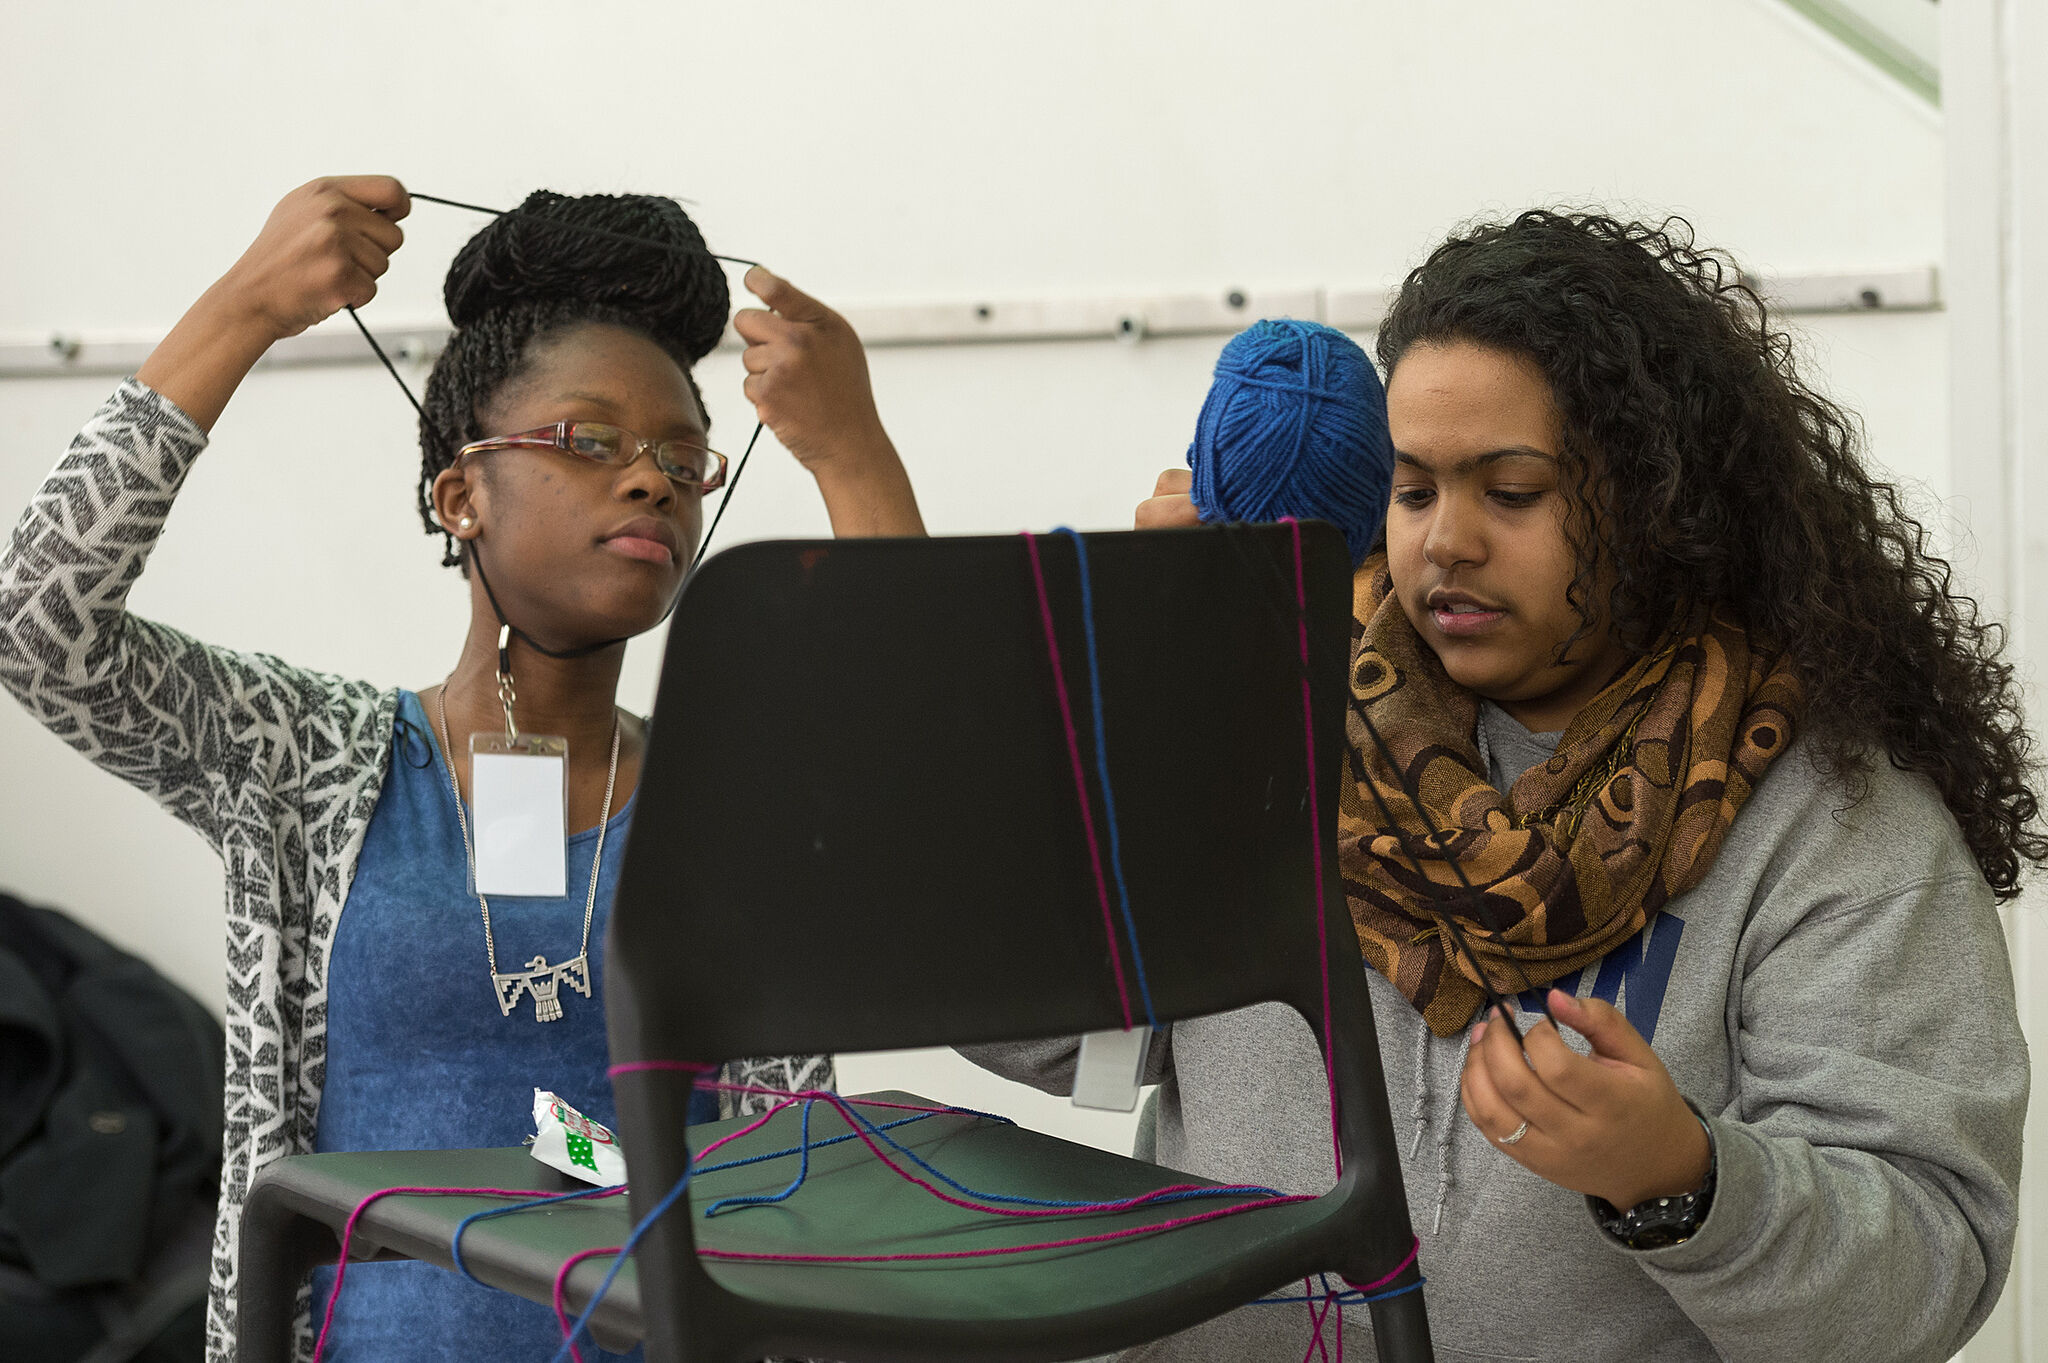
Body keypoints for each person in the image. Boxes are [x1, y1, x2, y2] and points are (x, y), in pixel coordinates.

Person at [988, 211, 2039, 1360]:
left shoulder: (1829, 819)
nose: (1446, 541)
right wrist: (1123, 705)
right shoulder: (1269, 725)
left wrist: (1681, 1185)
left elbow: (1922, 1280)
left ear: (1659, 502)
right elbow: (1020, 1028)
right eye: (1414, 489)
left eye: (1513, 490)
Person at [0, 175, 922, 1363]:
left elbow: (921, 774)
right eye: (589, 440)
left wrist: (854, 457)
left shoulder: (734, 805)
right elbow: (39, 625)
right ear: (459, 492)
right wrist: (240, 311)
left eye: (682, 459)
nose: (648, 477)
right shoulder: (310, 758)